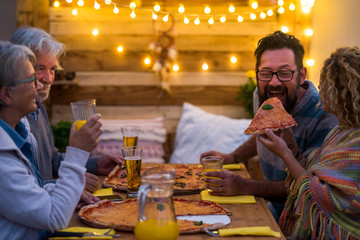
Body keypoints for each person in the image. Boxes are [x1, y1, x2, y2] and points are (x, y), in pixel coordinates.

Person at [201, 31, 338, 221]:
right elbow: (264, 133)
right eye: (266, 73)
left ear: (301, 75)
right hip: (273, 209)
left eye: (284, 73)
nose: (274, 82)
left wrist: (244, 185)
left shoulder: (325, 116)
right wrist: (233, 156)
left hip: (305, 220)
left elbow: (308, 187)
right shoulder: (262, 95)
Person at [0, 41, 101, 239]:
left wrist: (59, 190)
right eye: (30, 79)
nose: (38, 85)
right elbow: (55, 218)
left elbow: (27, 189)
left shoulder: (21, 133)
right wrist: (78, 151)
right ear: (6, 94)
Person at [259, 46, 360, 239]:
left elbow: (318, 196)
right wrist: (289, 142)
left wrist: (285, 155)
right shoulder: (342, 130)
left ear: (343, 93)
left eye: (326, 84)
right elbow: (311, 173)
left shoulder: (355, 143)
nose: (320, 89)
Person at [9, 27, 122, 193]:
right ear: (18, 67)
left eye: (52, 69)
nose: (48, 79)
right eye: (40, 68)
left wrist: (95, 164)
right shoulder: (9, 117)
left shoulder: (38, 108)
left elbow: (52, 161)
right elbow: (17, 190)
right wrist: (71, 181)